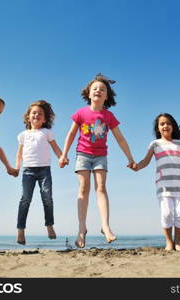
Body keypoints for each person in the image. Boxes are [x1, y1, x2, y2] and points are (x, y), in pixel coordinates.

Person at [59, 73, 136, 248]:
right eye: (95, 88)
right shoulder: (81, 113)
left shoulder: (108, 116)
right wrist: (64, 154)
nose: (98, 91)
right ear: (88, 93)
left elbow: (120, 138)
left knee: (101, 188)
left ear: (106, 96)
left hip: (101, 156)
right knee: (83, 188)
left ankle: (105, 226)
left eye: (102, 89)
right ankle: (81, 228)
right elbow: (71, 134)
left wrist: (130, 158)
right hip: (83, 154)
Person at [134, 113, 180, 251]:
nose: (165, 126)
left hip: (179, 185)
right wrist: (137, 167)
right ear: (158, 128)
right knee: (167, 213)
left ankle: (177, 242)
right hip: (163, 185)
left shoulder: (179, 144)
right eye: (162, 124)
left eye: (168, 123)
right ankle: (169, 242)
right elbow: (145, 161)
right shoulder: (155, 144)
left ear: (173, 126)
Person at [14, 100, 63, 245]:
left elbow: (55, 147)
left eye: (40, 113)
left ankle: (49, 225)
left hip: (44, 170)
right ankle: (20, 230)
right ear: (28, 117)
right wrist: (16, 168)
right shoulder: (22, 135)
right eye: (34, 113)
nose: (36, 115)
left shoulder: (47, 132)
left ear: (45, 119)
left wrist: (61, 158)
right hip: (27, 170)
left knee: (47, 198)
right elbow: (19, 154)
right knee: (25, 199)